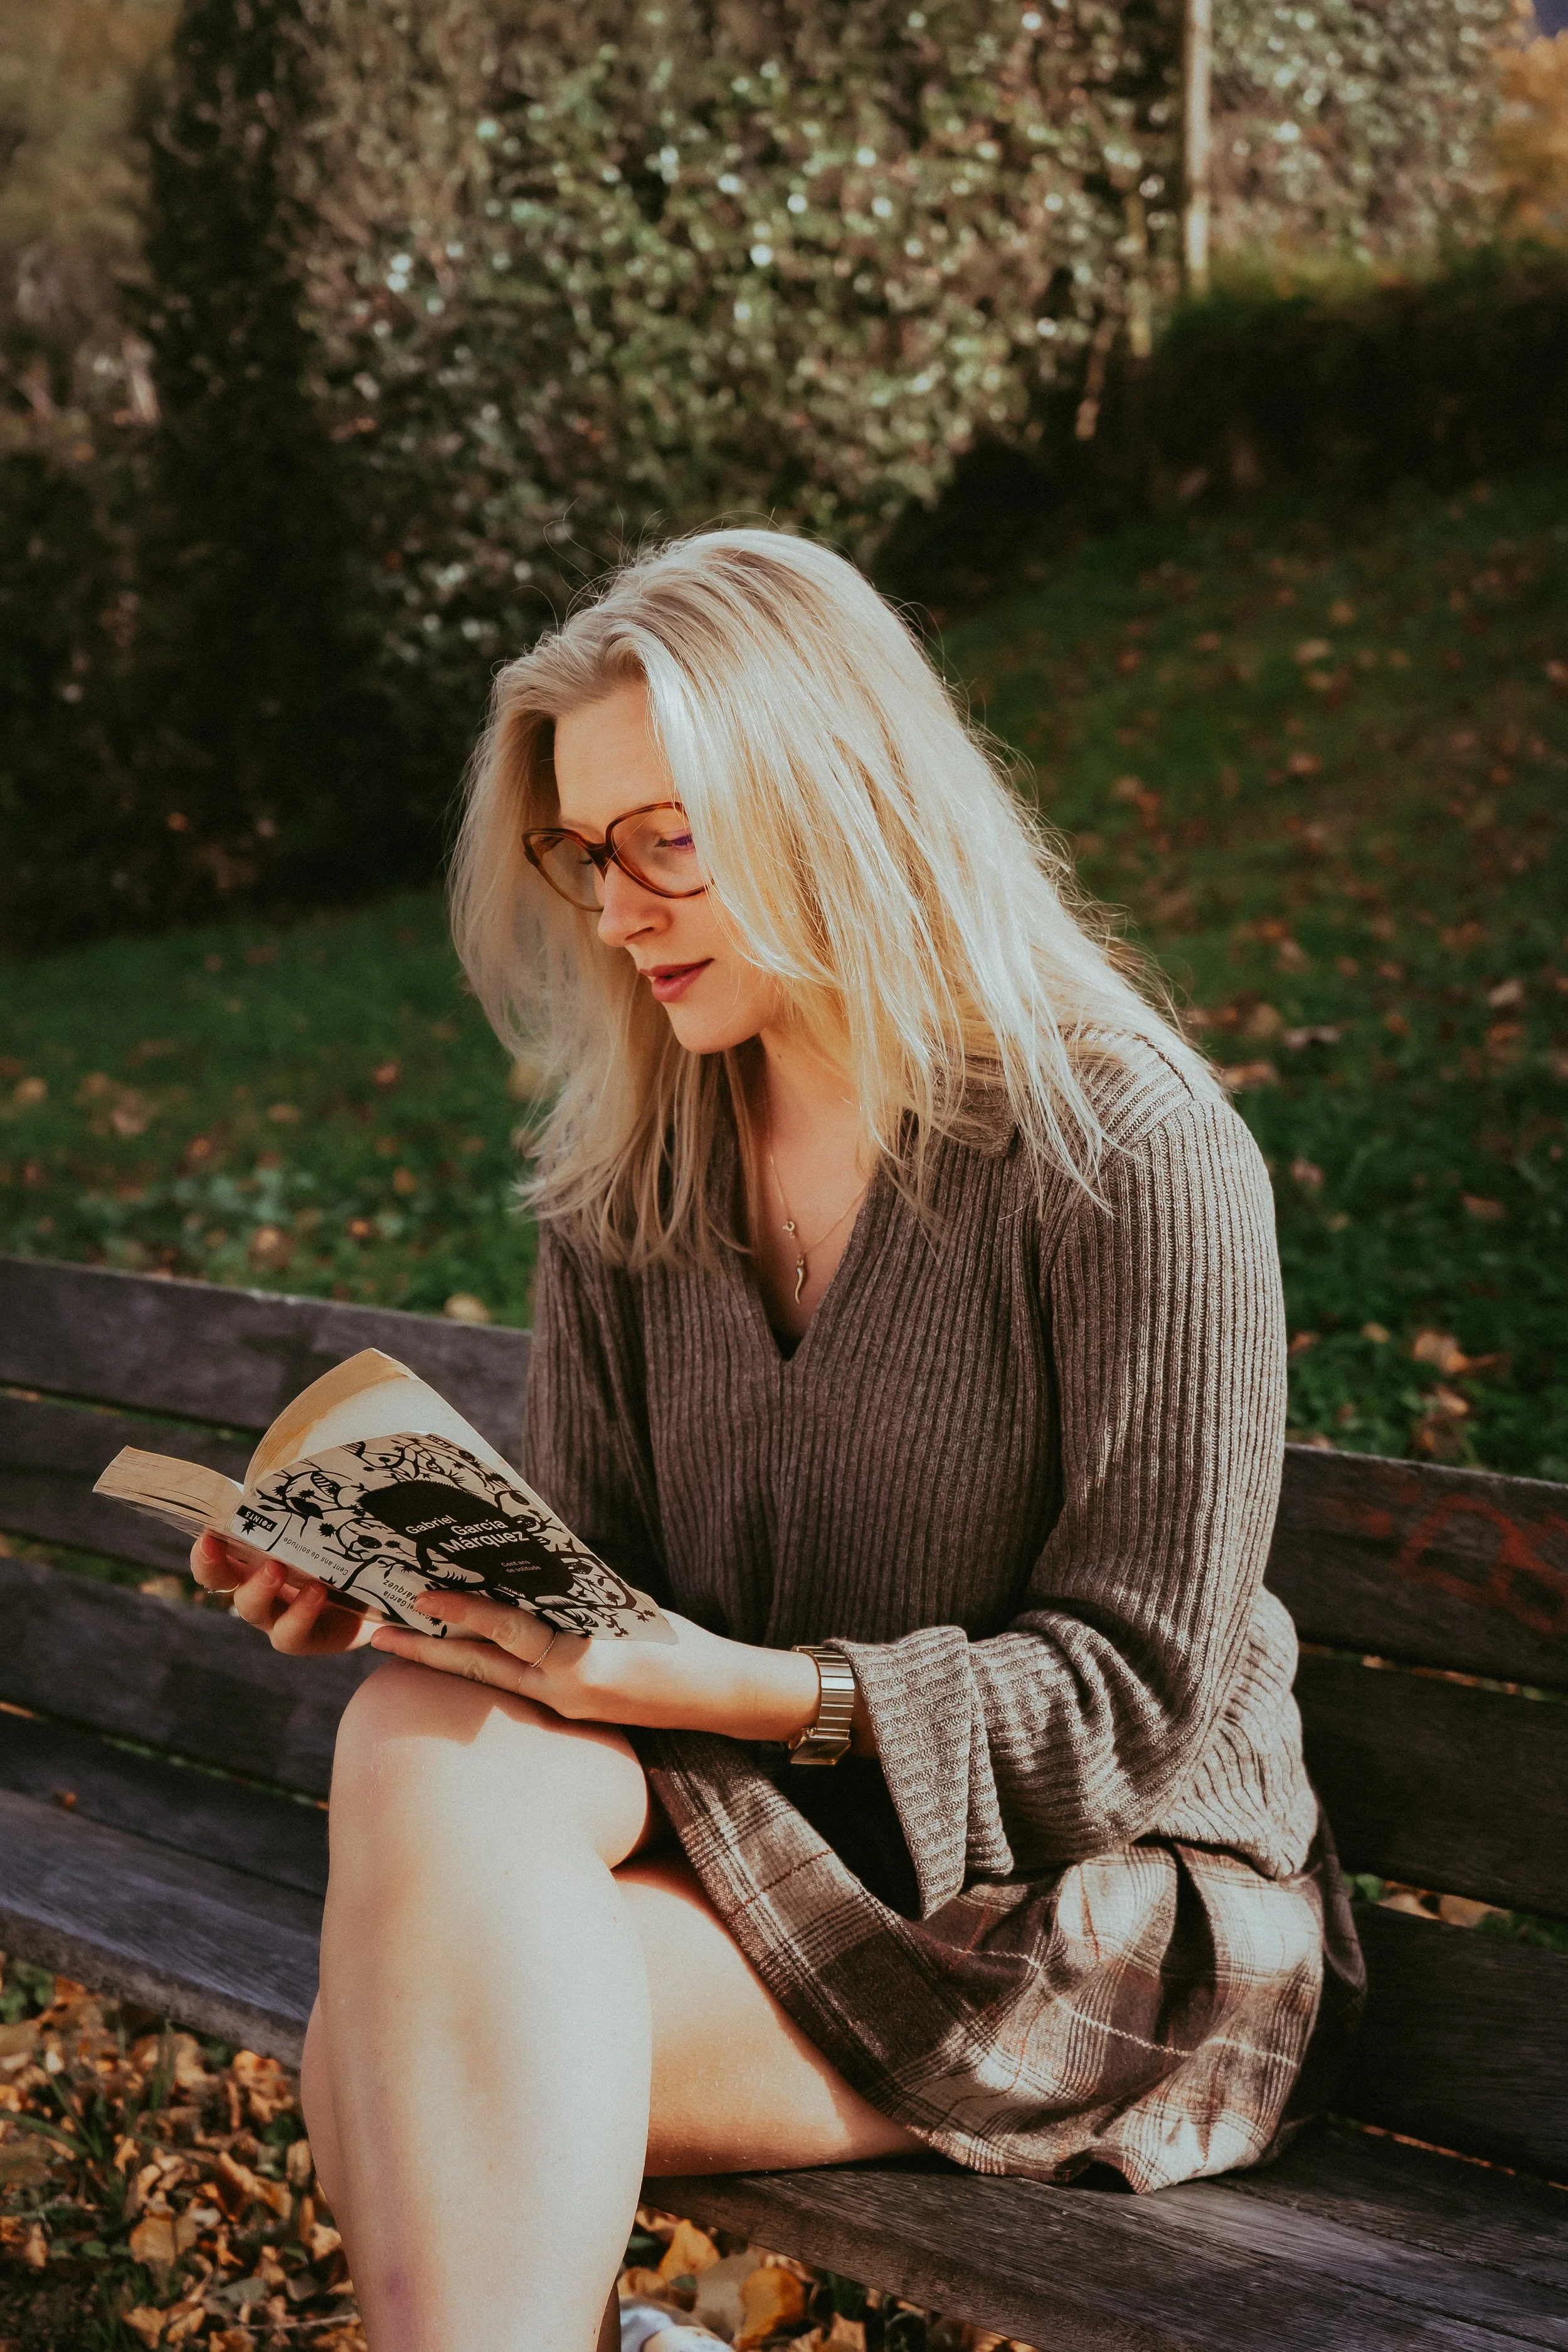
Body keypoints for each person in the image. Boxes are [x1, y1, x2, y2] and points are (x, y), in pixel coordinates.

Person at [190, 528, 1363, 2352]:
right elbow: (603, 1601)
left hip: (1106, 1918)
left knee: (400, 2057)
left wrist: (743, 1687)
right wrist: (430, 1597)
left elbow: (1130, 1708)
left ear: (836, 800)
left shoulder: (1125, 1152)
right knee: (423, 1748)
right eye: (586, 852)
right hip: (793, 1851)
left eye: (666, 839)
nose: (616, 911)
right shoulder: (634, 1175)